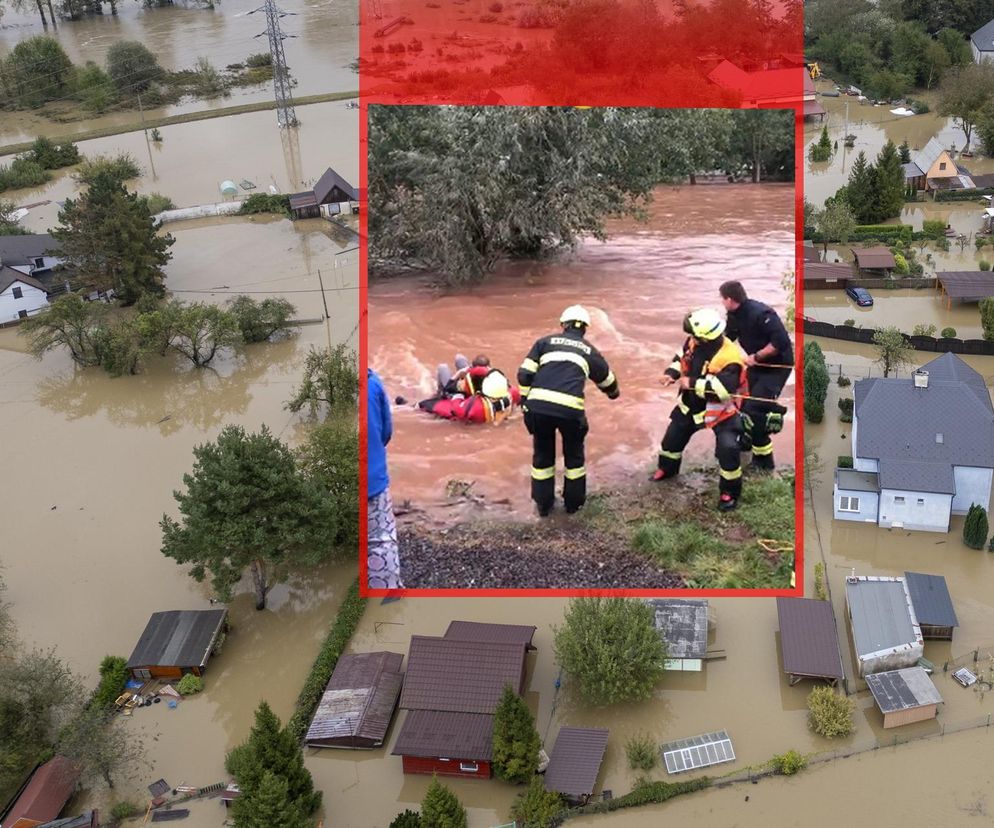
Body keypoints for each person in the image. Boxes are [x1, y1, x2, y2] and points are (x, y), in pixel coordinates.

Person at [517, 305, 619, 517]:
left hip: (539, 408)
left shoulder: (544, 343)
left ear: (563, 325)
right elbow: (607, 379)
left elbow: (524, 375)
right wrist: (613, 394)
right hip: (570, 412)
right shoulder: (588, 350)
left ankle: (544, 506)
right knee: (574, 458)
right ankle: (573, 505)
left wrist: (527, 404)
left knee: (543, 456)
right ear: (585, 329)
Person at [651, 308, 747, 512]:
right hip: (690, 406)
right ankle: (666, 470)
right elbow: (680, 359)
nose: (691, 338)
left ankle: (729, 492)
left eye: (694, 335)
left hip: (720, 413)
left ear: (705, 337)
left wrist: (691, 383)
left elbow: (722, 391)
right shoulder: (693, 342)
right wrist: (671, 374)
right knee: (671, 442)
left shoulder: (729, 357)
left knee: (728, 450)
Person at [719, 280, 793, 471]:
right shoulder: (734, 315)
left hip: (777, 367)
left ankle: (764, 461)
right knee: (742, 403)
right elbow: (728, 338)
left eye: (722, 299)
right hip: (756, 366)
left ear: (729, 299)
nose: (721, 302)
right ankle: (746, 441)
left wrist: (757, 356)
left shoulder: (762, 314)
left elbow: (780, 342)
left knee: (756, 411)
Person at [368, 368, 403, 589]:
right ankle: (387, 593)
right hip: (373, 480)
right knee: (381, 538)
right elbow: (386, 432)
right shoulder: (373, 383)